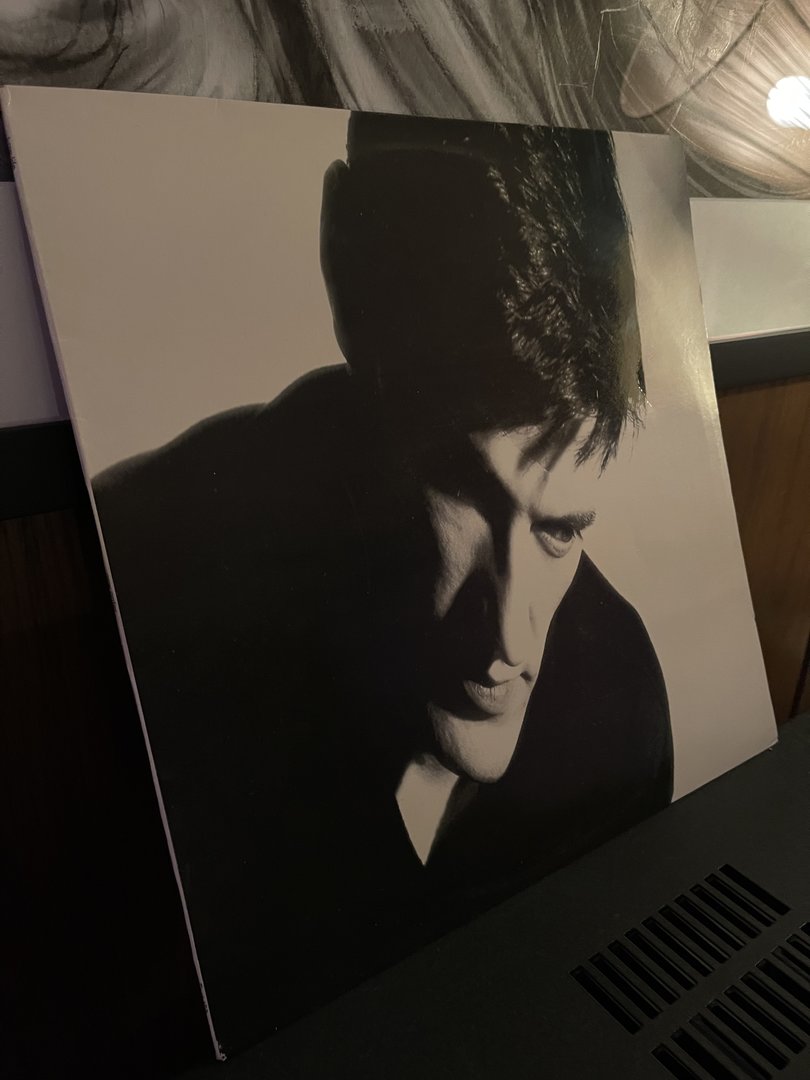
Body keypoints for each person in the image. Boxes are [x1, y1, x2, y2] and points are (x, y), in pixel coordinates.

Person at [93, 113, 673, 1052]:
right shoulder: (147, 575)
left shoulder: (621, 701)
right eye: (458, 492)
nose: (510, 640)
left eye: (561, 531)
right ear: (347, 279)